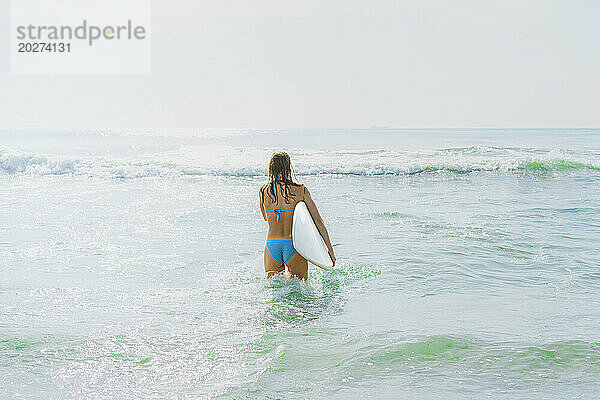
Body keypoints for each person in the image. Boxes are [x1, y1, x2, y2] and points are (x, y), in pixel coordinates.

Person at [259, 152, 335, 279]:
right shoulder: (301, 190)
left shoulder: (263, 191)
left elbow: (266, 218)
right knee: (301, 288)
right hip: (294, 246)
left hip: (272, 245)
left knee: (275, 289)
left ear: (271, 169)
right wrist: (329, 250)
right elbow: (318, 221)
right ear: (288, 168)